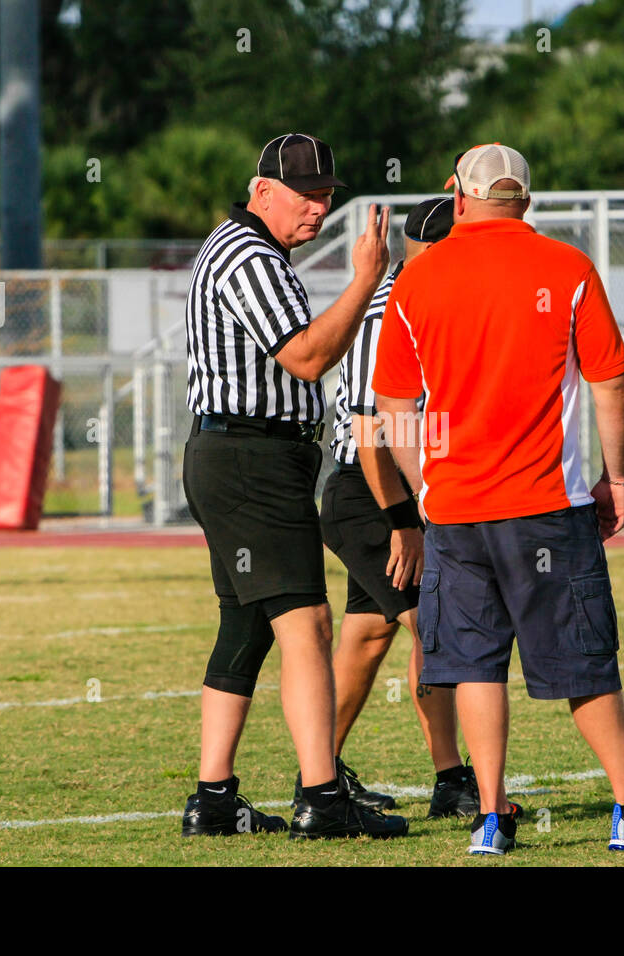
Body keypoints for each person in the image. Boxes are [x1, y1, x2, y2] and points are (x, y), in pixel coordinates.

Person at [371, 143, 624, 855]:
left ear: (457, 197)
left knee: (472, 662)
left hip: (457, 510)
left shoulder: (416, 280)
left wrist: (426, 489)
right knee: (583, 662)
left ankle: (491, 817)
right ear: (525, 201)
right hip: (545, 505)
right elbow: (612, 384)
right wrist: (617, 479)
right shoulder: (567, 269)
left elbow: (393, 404)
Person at [180, 132, 407, 841]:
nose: (318, 209)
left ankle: (214, 798)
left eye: (326, 196)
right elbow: (308, 357)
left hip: (241, 455)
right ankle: (321, 795)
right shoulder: (248, 255)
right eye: (306, 195)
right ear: (262, 191)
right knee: (307, 623)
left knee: (245, 624)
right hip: (251, 460)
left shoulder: (249, 249)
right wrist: (365, 280)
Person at [315, 197, 522, 819]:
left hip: (404, 490)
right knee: (435, 626)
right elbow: (371, 426)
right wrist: (405, 522)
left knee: (367, 636)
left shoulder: (431, 299)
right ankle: (451, 780)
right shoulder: (396, 308)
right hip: (371, 490)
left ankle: (318, 775)